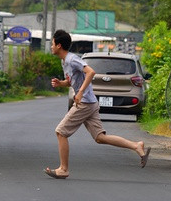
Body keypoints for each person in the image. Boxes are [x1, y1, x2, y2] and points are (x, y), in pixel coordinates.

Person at [44, 29, 149, 179]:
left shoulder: (72, 59)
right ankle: (136, 146)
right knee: (100, 137)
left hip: (85, 103)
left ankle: (63, 169)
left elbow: (91, 72)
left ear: (59, 45)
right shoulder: (64, 61)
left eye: (52, 43)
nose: (51, 46)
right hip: (90, 103)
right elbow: (72, 81)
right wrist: (61, 83)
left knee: (61, 132)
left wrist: (79, 93)